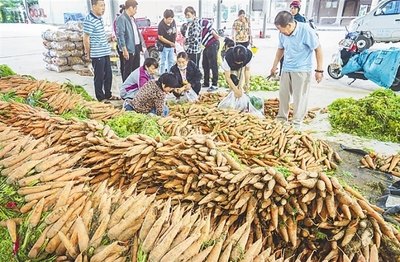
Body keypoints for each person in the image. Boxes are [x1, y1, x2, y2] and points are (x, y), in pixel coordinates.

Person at [270, 11, 323, 129]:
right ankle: (281, 119)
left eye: (281, 29)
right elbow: (280, 49)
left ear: (289, 25)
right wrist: (274, 65)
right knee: (283, 95)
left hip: (302, 70)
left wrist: (319, 71)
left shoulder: (306, 31)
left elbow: (318, 49)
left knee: (299, 97)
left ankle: (296, 123)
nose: (281, 32)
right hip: (286, 68)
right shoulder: (282, 34)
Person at [83, 0, 117, 102]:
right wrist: (89, 53)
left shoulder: (100, 19)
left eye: (104, 5)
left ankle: (108, 94)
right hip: (97, 53)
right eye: (101, 6)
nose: (103, 8)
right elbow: (86, 39)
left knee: (108, 75)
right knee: (99, 77)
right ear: (94, 6)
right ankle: (100, 97)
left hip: (105, 52)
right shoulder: (89, 20)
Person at [116, 0, 144, 82]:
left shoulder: (133, 19)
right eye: (135, 9)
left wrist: (140, 47)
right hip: (128, 48)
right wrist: (124, 50)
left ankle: (134, 87)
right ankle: (126, 90)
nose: (136, 11)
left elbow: (136, 33)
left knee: (136, 69)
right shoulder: (121, 19)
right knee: (127, 70)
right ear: (131, 8)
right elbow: (120, 35)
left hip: (136, 47)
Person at [278, 0, 307, 77]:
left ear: (298, 9)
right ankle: (281, 73)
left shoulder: (301, 20)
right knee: (283, 59)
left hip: (296, 47)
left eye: (294, 8)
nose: (292, 10)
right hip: (287, 44)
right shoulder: (289, 18)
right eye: (291, 8)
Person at [199, 18, 220, 91]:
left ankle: (214, 84)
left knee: (213, 64)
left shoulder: (201, 22)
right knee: (205, 64)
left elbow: (209, 25)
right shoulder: (192, 28)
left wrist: (213, 33)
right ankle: (206, 82)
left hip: (212, 43)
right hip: (206, 45)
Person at [158, 9, 177, 75]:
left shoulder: (173, 21)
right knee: (163, 62)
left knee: (171, 62)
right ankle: (162, 75)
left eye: (171, 19)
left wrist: (175, 39)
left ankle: (170, 75)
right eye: (169, 19)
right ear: (164, 18)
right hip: (164, 47)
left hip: (171, 46)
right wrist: (170, 43)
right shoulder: (161, 25)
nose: (170, 21)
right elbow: (160, 37)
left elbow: (175, 30)